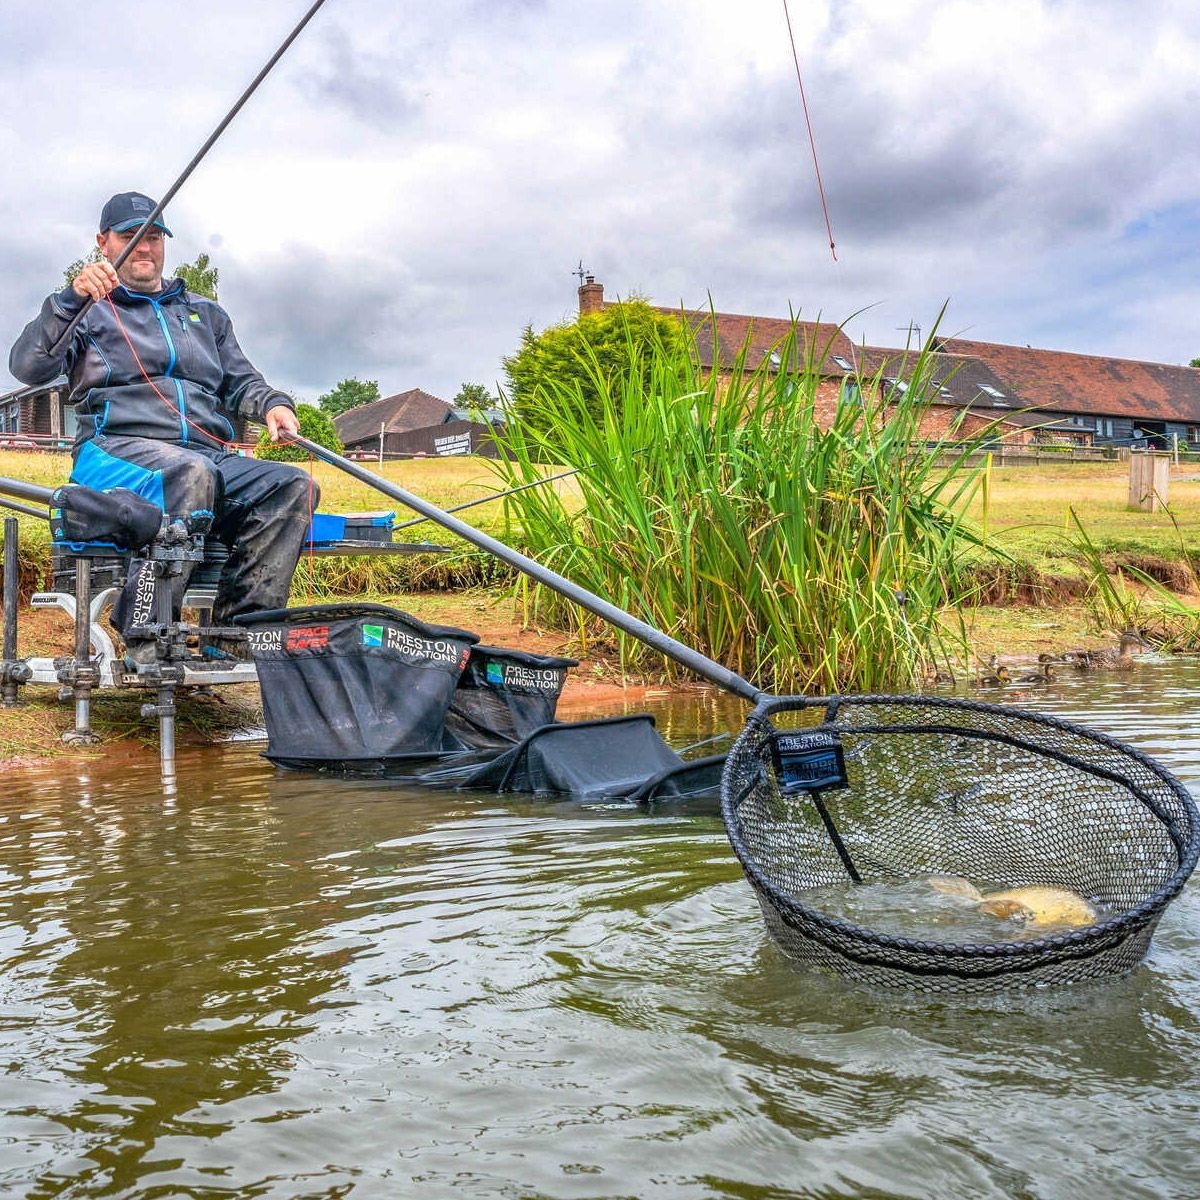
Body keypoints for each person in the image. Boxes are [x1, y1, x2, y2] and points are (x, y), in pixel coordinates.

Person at [8, 190, 319, 663]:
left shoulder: (206, 314)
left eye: (153, 237)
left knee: (293, 485)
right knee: (189, 473)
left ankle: (237, 634)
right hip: (113, 449)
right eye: (130, 236)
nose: (145, 247)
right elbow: (27, 366)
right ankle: (148, 634)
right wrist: (70, 299)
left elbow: (242, 381)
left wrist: (273, 404)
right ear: (103, 243)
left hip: (204, 456)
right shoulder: (87, 309)